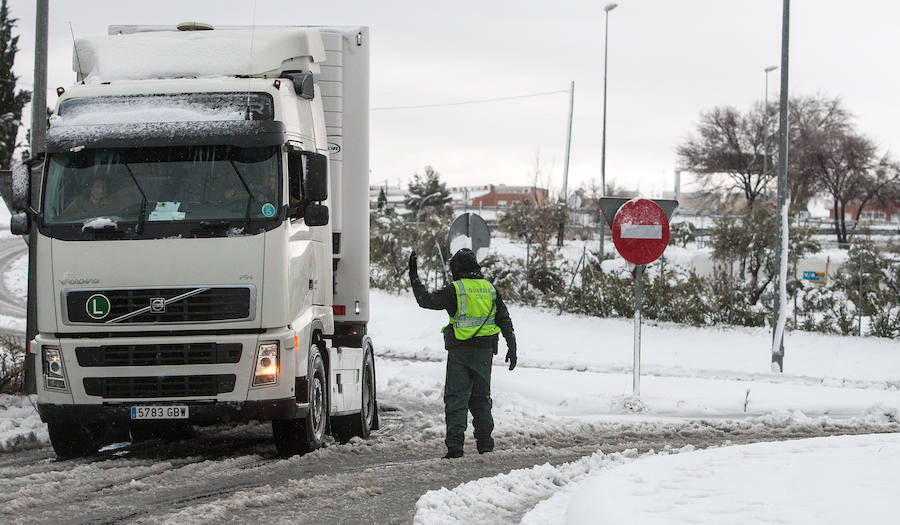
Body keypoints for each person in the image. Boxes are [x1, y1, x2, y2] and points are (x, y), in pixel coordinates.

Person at [408, 248, 517, 459]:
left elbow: (426, 300)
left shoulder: (455, 290)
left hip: (460, 352)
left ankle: (455, 448)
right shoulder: (490, 289)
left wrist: (414, 275)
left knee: (456, 399)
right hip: (485, 353)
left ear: (456, 269)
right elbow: (504, 319)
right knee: (481, 399)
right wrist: (512, 347)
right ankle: (485, 445)